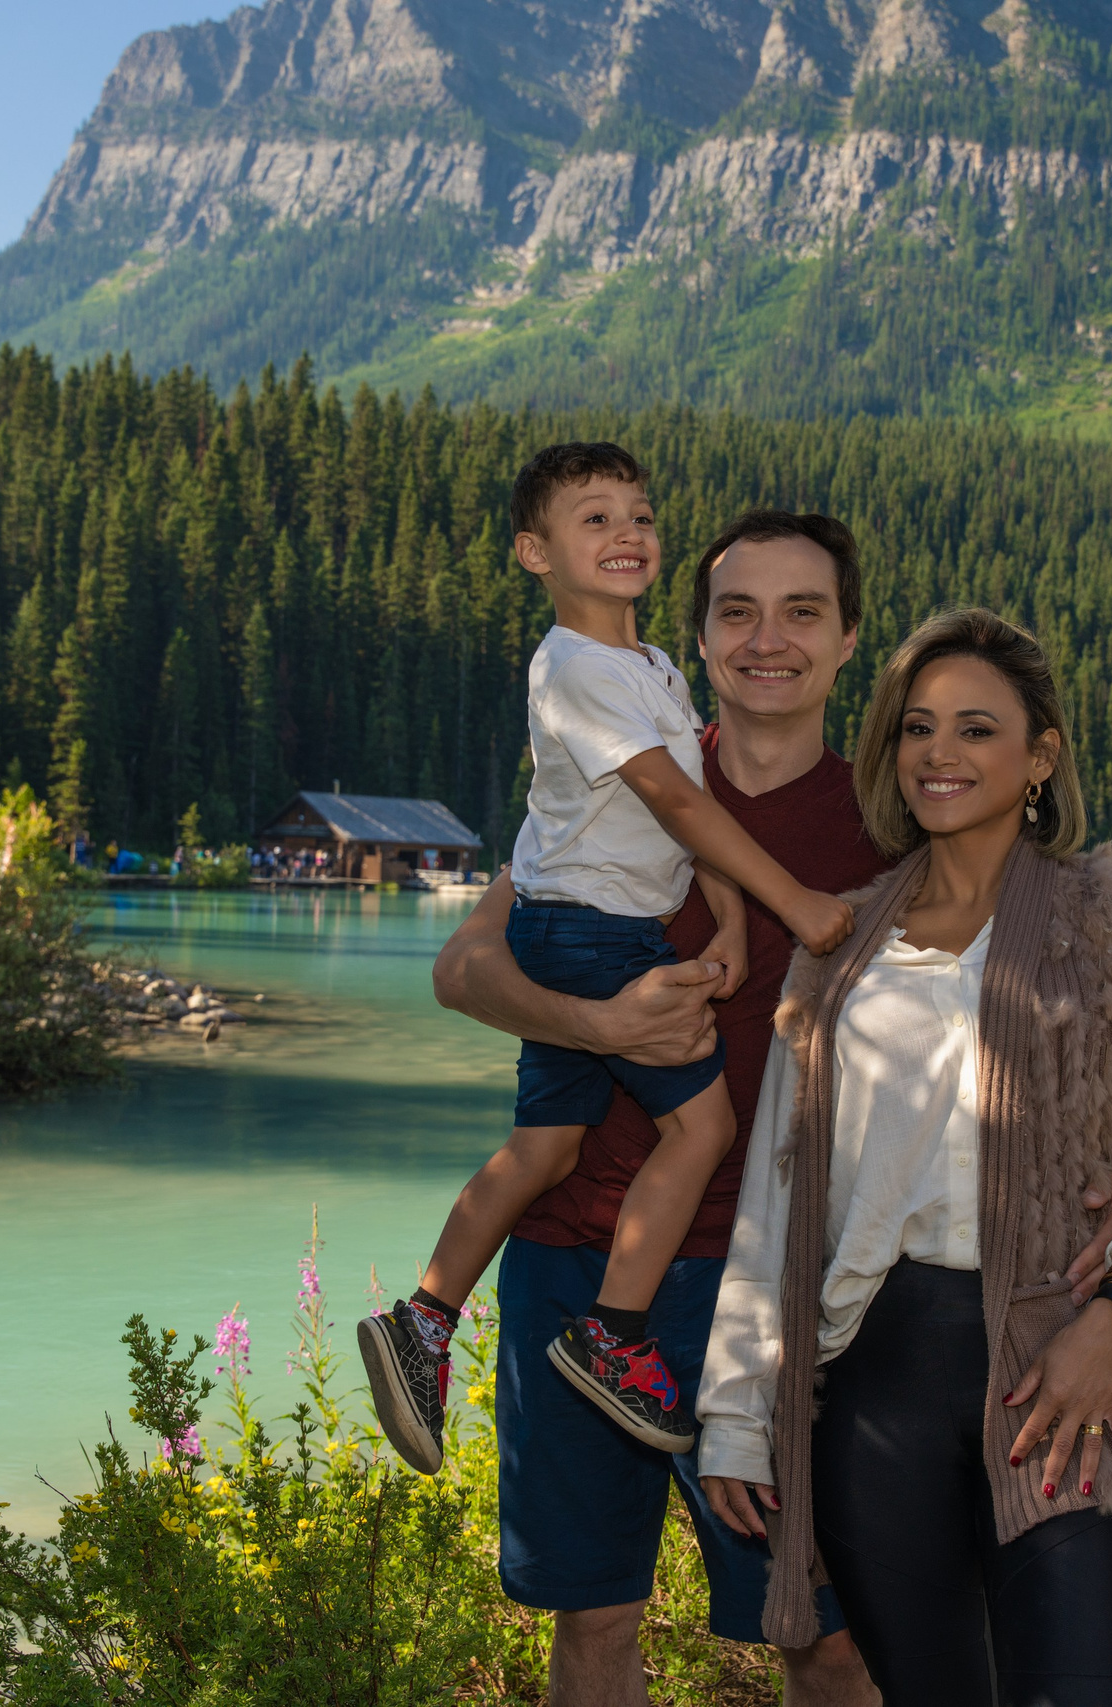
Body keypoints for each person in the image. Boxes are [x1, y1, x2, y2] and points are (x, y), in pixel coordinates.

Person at [433, 515, 1112, 1706]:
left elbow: (1038, 987)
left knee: (822, 1634)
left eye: (801, 611)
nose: (768, 640)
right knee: (595, 1623)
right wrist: (604, 1027)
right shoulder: (624, 768)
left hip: (790, 1289)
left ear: (848, 636)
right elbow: (465, 969)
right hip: (575, 1262)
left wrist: (1110, 1154)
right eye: (736, 612)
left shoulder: (892, 823)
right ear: (699, 638)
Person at [696, 608, 1112, 1706]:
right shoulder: (841, 949)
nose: (940, 754)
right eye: (918, 728)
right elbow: (779, 1198)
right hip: (879, 1381)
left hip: (1067, 1361)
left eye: (977, 729)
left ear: (1039, 756)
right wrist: (737, 1416)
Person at [360, 447, 857, 1473]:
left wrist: (722, 922)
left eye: (639, 513)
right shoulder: (579, 672)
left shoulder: (652, 680)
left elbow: (685, 815)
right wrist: (782, 909)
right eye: (595, 520)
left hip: (770, 1266)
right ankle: (610, 1332)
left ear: (849, 638)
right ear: (534, 553)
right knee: (702, 1125)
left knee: (540, 1145)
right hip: (588, 946)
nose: (627, 530)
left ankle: (424, 1317)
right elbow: (675, 808)